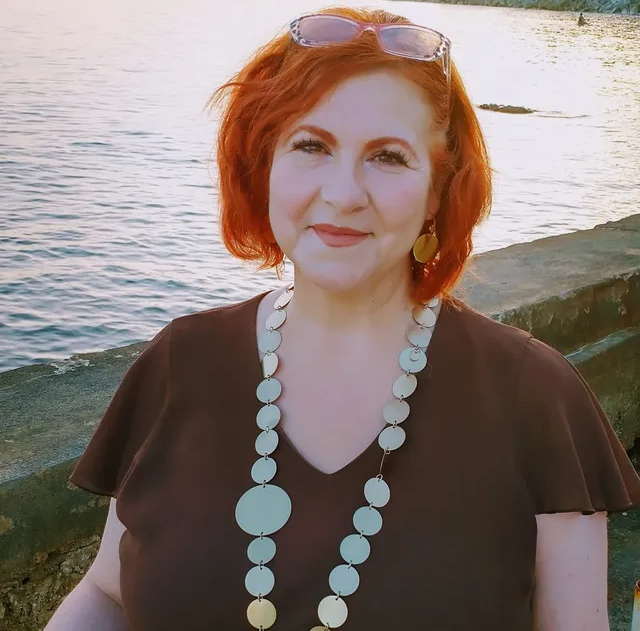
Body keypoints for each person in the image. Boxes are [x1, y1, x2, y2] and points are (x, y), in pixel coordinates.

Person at [46, 6, 640, 631]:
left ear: (438, 192)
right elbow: (108, 593)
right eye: (311, 146)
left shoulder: (534, 395)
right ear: (264, 165)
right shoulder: (181, 362)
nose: (344, 193)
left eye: (388, 157)